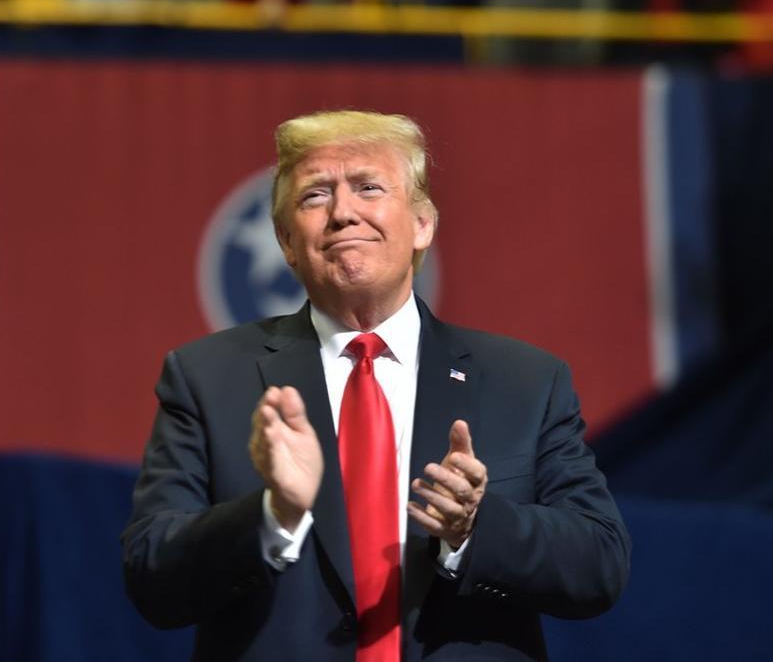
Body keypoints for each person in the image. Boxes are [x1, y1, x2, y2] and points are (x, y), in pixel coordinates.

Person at [122, 111, 630, 660]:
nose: (343, 212)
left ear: (422, 223)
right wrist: (274, 515)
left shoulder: (526, 381)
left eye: (368, 187)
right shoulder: (206, 376)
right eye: (315, 196)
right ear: (287, 242)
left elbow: (598, 566)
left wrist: (473, 528)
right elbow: (154, 577)